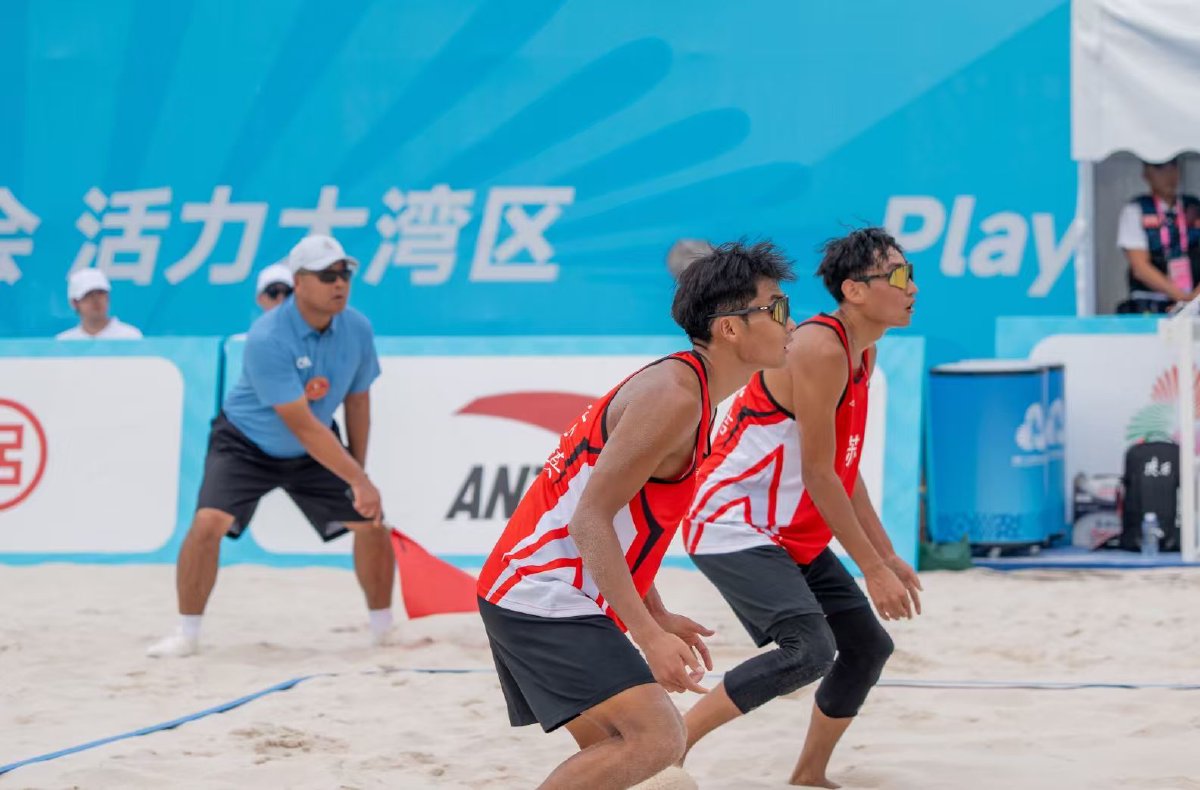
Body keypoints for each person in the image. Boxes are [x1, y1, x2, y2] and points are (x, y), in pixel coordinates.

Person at [475, 241, 796, 789]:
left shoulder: (692, 390)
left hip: (545, 589)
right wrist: (648, 636)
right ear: (730, 328)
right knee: (658, 740)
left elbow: (624, 522)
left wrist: (656, 611)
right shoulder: (674, 397)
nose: (792, 321)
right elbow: (590, 520)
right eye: (778, 307)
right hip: (539, 592)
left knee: (619, 754)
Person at [679, 227, 923, 788]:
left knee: (867, 648)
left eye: (911, 273)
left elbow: (842, 469)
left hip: (784, 530)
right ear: (853, 290)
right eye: (899, 275)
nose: (912, 287)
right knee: (809, 651)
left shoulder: (862, 351)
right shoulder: (819, 348)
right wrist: (871, 568)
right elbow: (818, 473)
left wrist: (886, 555)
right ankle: (672, 741)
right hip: (731, 521)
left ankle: (809, 775)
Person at [147, 234, 395, 658]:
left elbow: (358, 403)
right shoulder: (267, 336)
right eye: (327, 275)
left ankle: (383, 631)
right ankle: (187, 634)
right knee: (207, 524)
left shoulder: (357, 328)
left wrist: (360, 474)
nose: (339, 283)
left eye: (344, 273)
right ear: (299, 282)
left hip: (316, 445)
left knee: (372, 526)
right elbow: (301, 425)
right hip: (246, 444)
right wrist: (358, 481)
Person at [1116, 156, 1200, 313]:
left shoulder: (1194, 207)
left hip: (1194, 304)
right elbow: (1140, 268)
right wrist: (1182, 298)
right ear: (1146, 174)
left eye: (1173, 166)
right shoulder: (1135, 210)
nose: (1169, 175)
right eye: (1160, 168)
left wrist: (1195, 298)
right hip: (1150, 303)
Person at [56, 269, 143, 339]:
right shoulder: (64, 342)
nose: (96, 300)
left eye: (100, 293)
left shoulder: (130, 336)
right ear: (74, 303)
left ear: (108, 297)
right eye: (88, 295)